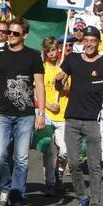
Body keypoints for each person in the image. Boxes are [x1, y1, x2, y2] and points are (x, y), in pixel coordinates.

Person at [55, 27, 103, 206]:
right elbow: (60, 84)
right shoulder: (72, 59)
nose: (90, 44)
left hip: (94, 122)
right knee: (73, 164)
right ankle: (82, 198)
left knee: (94, 168)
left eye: (93, 40)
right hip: (73, 119)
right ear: (83, 42)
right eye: (87, 40)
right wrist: (58, 80)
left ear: (98, 42)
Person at [0, 17, 45, 206]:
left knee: (21, 158)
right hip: (2, 113)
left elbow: (39, 84)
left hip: (25, 115)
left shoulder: (33, 56)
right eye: (8, 32)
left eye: (15, 33)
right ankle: (5, 186)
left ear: (25, 35)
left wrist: (41, 113)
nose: (10, 36)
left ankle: (17, 194)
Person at [40, 37, 69, 196]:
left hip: (63, 114)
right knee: (48, 150)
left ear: (59, 49)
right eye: (48, 50)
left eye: (54, 49)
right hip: (47, 114)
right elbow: (36, 93)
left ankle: (59, 173)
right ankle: (50, 183)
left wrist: (62, 85)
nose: (52, 53)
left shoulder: (65, 68)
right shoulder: (41, 68)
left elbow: (68, 90)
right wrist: (47, 105)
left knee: (64, 150)